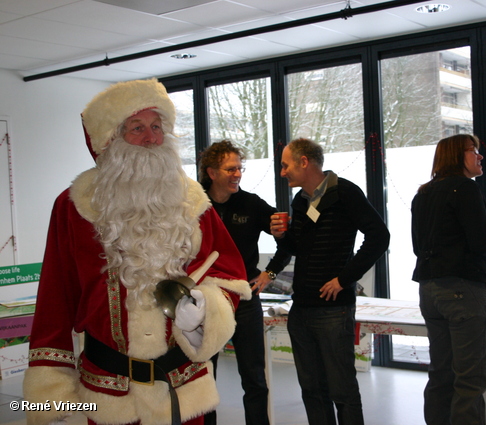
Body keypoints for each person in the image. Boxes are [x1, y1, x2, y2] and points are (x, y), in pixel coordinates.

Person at [23, 79, 252, 425]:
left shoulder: (192, 202)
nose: (152, 138)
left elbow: (229, 273)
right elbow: (56, 297)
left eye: (157, 127)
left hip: (181, 389)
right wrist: (52, 394)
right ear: (110, 139)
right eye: (137, 128)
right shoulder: (73, 207)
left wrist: (206, 308)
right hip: (106, 391)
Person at [269, 138, 389, 425]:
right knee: (312, 390)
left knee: (342, 391)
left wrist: (344, 278)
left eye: (286, 165)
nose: (282, 172)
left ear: (304, 162)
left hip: (333, 311)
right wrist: (282, 237)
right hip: (301, 309)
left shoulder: (345, 192)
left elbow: (379, 237)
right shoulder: (300, 201)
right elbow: (298, 247)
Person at [411, 134, 486, 425]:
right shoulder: (465, 188)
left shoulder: (423, 193)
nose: (480, 156)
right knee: (470, 380)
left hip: (430, 292)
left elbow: (419, 246)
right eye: (473, 151)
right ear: (456, 156)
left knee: (441, 374)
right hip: (464, 292)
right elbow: (480, 244)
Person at [198, 140, 291, 425]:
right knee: (204, 379)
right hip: (207, 299)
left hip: (246, 299)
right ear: (212, 172)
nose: (237, 174)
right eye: (230, 169)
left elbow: (287, 241)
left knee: (254, 378)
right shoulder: (194, 204)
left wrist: (270, 274)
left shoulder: (251, 204)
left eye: (240, 168)